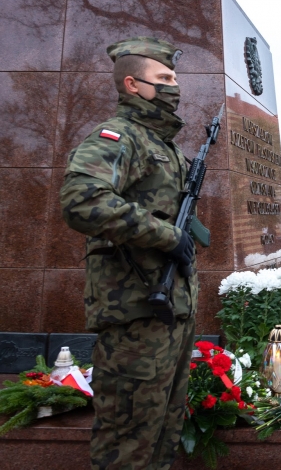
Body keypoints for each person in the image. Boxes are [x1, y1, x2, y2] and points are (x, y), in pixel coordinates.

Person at [59, 37, 198, 470]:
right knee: (127, 442)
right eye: (165, 78)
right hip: (134, 314)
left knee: (161, 435)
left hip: (168, 311)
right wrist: (164, 235)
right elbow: (82, 200)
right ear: (134, 85)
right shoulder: (119, 137)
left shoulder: (165, 145)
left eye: (175, 78)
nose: (175, 87)